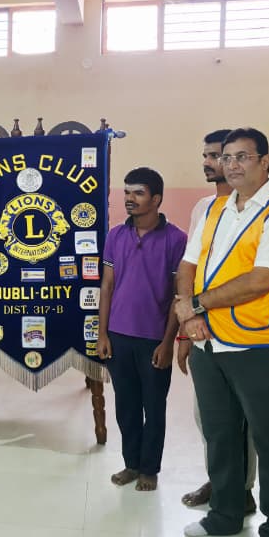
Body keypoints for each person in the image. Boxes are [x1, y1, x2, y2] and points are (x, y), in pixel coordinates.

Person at [174, 128, 269, 537]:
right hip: (209, 341)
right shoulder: (215, 208)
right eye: (226, 157)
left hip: (261, 344)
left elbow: (262, 278)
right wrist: (190, 315)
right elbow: (188, 265)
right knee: (220, 434)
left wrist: (195, 304)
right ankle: (225, 513)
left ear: (266, 161)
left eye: (242, 157)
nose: (232, 165)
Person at [179, 129, 257, 514]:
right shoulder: (202, 209)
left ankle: (242, 489)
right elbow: (190, 270)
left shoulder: (262, 208)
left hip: (246, 329)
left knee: (243, 419)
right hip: (201, 327)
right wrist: (185, 326)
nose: (210, 163)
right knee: (208, 415)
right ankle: (221, 479)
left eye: (218, 156)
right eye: (207, 155)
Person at [97, 167, 186, 491]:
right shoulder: (115, 236)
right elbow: (107, 286)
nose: (129, 199)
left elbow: (179, 295)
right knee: (126, 407)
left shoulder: (176, 239)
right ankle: (131, 464)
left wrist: (168, 344)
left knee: (154, 407)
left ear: (157, 199)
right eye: (126, 192)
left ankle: (150, 468)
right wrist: (102, 334)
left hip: (153, 341)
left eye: (138, 193)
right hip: (118, 337)